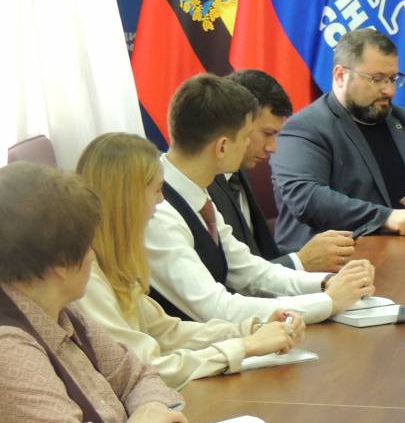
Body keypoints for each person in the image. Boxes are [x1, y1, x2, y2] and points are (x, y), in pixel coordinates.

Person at [0, 162, 201, 423]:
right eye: (88, 245)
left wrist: (151, 412)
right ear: (61, 263)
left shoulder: (60, 308)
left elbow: (137, 375)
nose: (94, 256)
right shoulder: (8, 346)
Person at [76, 133, 304, 390]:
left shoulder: (114, 260)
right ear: (127, 199)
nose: (161, 200)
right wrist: (244, 346)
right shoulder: (86, 276)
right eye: (156, 189)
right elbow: (145, 368)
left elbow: (167, 333)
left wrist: (250, 329)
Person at [144, 74, 375, 324]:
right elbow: (215, 308)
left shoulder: (198, 193)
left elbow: (249, 272)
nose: (266, 147)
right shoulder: (157, 213)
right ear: (222, 146)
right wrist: (328, 302)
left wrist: (327, 282)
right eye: (246, 136)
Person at [272, 28, 405, 250]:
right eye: (377, 79)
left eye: (393, 79)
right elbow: (306, 197)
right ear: (340, 75)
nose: (389, 91)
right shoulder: (305, 128)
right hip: (335, 259)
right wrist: (386, 217)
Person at [211, 69, 355, 272]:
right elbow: (229, 276)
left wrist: (320, 257)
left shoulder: (236, 173)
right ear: (238, 124)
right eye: (267, 133)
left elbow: (259, 255)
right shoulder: (205, 185)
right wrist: (301, 261)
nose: (273, 148)